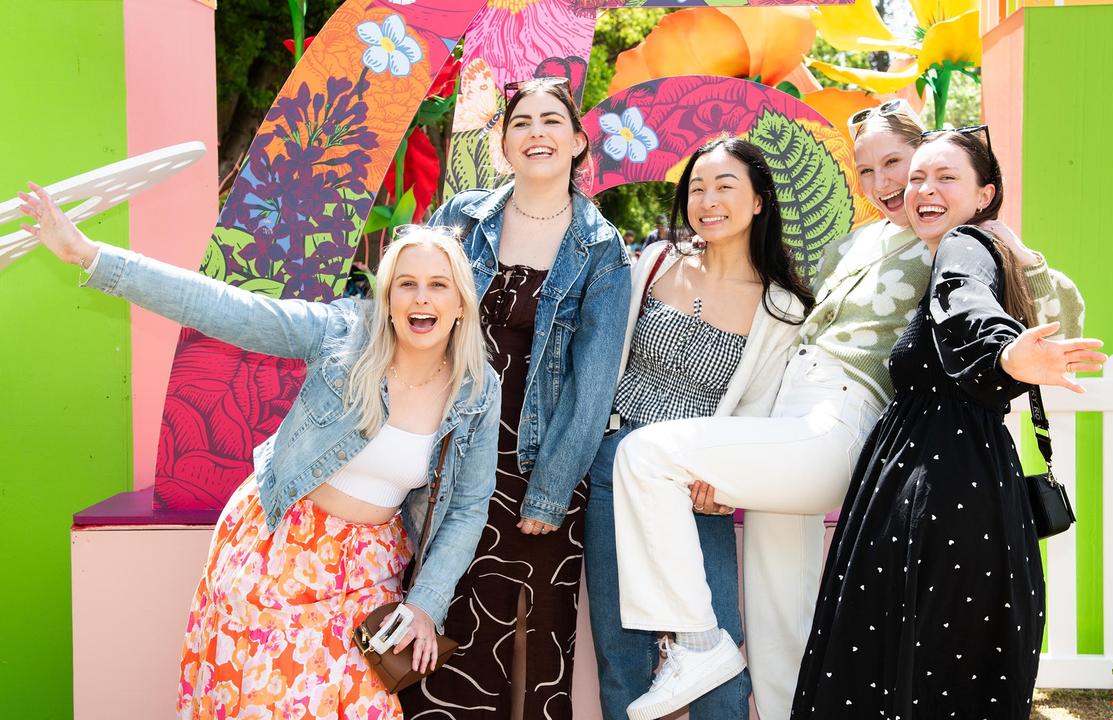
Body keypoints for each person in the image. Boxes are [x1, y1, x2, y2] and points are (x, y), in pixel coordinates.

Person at [613, 101, 1087, 720]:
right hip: (787, 420)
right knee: (776, 605)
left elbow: (1055, 319)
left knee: (646, 454)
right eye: (867, 172)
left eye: (900, 164)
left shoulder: (952, 241)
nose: (886, 184)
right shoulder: (853, 245)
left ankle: (697, 644)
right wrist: (736, 459)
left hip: (842, 419)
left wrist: (1018, 252)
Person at [16, 183, 500, 720]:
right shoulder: (342, 335)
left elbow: (466, 507)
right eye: (406, 284)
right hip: (275, 550)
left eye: (438, 285)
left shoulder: (476, 388)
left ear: (461, 304)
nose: (422, 298)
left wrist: (426, 604)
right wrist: (89, 254)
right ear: (388, 300)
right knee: (261, 705)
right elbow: (228, 308)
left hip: (367, 575)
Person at [790, 127, 1106, 719]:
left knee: (911, 664)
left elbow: (967, 308)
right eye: (916, 178)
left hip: (940, 484)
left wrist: (1008, 353)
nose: (922, 190)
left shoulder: (964, 248)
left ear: (985, 194)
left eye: (945, 177)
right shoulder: (971, 254)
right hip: (963, 478)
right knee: (949, 666)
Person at [402, 76, 631, 719]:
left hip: (536, 465)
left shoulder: (601, 248)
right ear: (503, 142)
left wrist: (552, 490)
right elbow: (411, 318)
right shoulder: (458, 219)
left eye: (552, 121)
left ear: (579, 141)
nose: (537, 133)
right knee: (439, 619)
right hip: (448, 453)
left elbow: (593, 383)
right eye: (522, 122)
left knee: (530, 632)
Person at [585, 136, 814, 720]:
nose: (707, 200)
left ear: (760, 200)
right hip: (616, 464)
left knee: (715, 655)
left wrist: (727, 485)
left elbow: (760, 413)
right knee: (623, 653)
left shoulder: (781, 308)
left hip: (697, 487)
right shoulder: (653, 264)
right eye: (696, 188)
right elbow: (607, 358)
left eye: (725, 186)